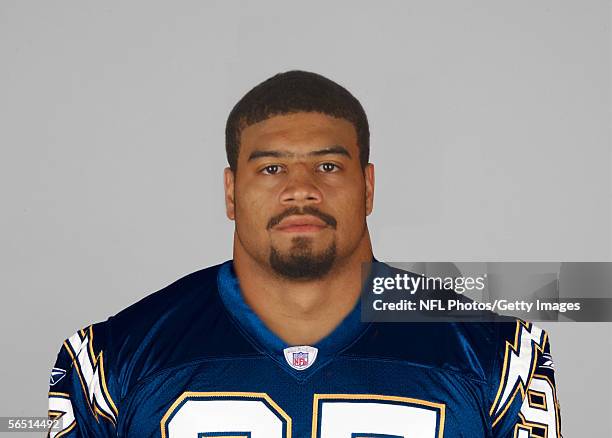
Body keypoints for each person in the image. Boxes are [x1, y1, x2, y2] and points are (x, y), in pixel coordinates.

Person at [47, 71, 561, 437]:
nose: (301, 190)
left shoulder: (498, 357)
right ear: (230, 192)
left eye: (329, 167)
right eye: (271, 169)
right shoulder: (109, 364)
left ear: (368, 186)